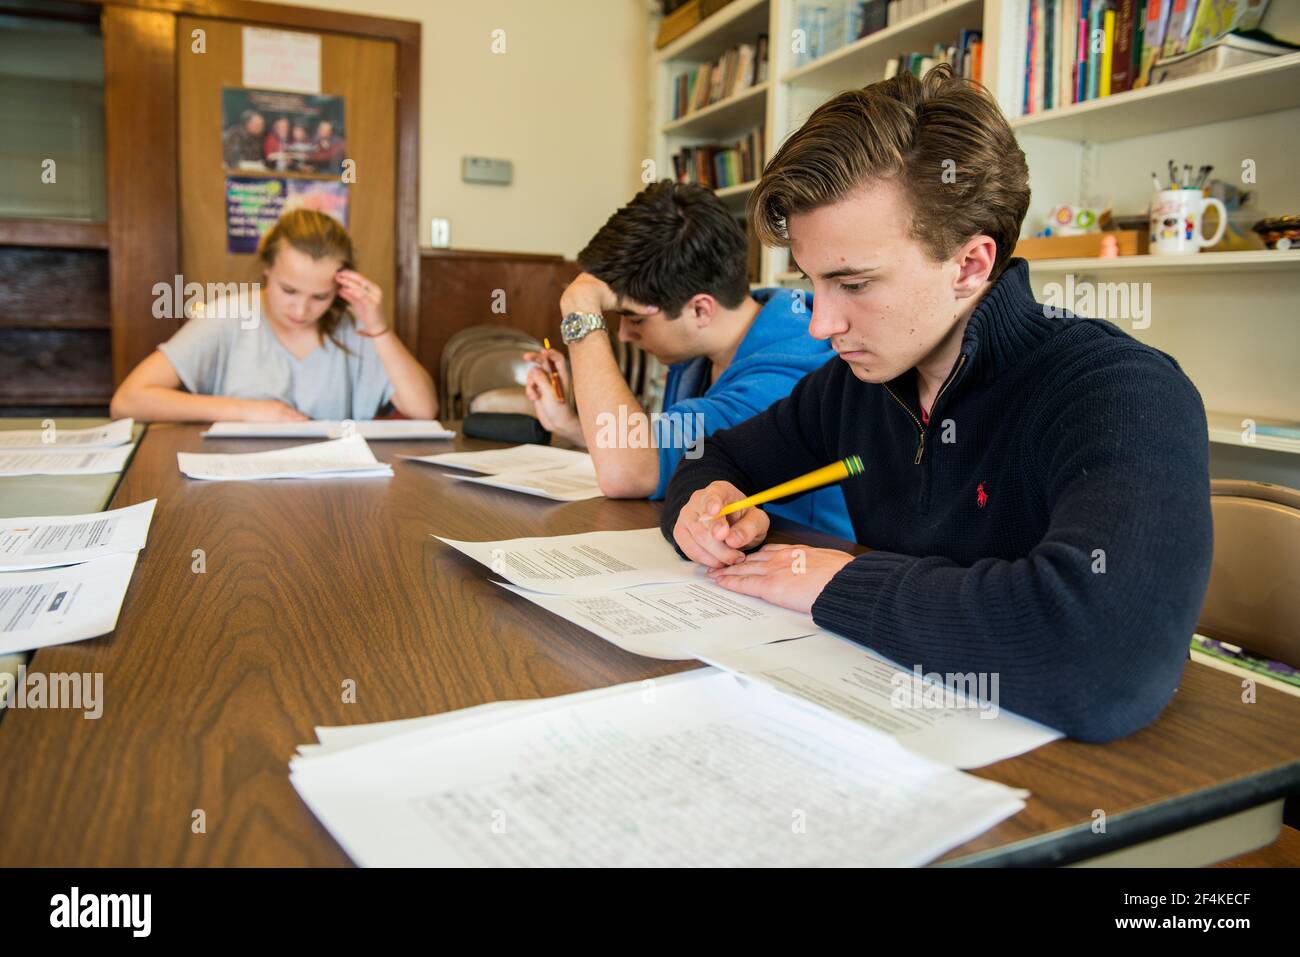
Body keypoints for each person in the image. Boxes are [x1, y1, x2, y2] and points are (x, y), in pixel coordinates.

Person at [660, 65, 1213, 743]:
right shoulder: (850, 386)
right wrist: (703, 499)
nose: (819, 324)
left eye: (853, 282)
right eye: (811, 282)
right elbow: (715, 453)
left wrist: (842, 582)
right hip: (881, 735)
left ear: (972, 264)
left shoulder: (1121, 391)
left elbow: (1103, 658)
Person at [524, 181, 852, 539]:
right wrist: (572, 425)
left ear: (699, 309)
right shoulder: (705, 351)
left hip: (800, 564)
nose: (624, 336)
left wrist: (580, 309)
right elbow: (671, 455)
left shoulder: (783, 376)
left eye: (634, 319)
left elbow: (628, 473)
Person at [111, 209, 436, 422]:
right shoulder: (227, 317)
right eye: (289, 290)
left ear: (340, 287)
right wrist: (251, 411)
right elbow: (127, 401)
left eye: (320, 296)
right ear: (267, 269)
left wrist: (378, 328)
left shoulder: (354, 327)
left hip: (331, 495)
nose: (300, 310)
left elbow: (423, 410)